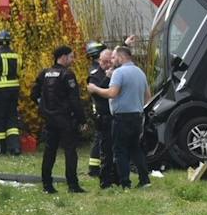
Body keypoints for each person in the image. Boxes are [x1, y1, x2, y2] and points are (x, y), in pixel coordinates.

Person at [89, 43, 150, 188]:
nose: (112, 59)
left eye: (114, 57)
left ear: (122, 57)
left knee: (120, 150)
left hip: (122, 117)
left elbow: (112, 93)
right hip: (137, 116)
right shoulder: (140, 72)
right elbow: (148, 96)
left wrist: (95, 89)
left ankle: (125, 183)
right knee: (135, 148)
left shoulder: (119, 73)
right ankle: (144, 180)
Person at [32, 44, 86, 194]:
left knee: (49, 151)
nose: (73, 59)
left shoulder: (44, 73)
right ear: (62, 57)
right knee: (70, 151)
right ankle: (73, 185)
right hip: (65, 119)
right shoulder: (67, 75)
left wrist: (43, 107)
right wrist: (82, 119)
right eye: (71, 56)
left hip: (49, 119)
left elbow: (33, 94)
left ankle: (47, 185)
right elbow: (75, 100)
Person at [87, 44, 116, 185]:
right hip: (102, 113)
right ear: (99, 61)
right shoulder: (94, 74)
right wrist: (107, 78)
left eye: (109, 61)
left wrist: (126, 45)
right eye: (104, 62)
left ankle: (108, 170)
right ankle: (94, 169)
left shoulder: (117, 70)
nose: (107, 64)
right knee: (100, 141)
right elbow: (98, 94)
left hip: (114, 113)